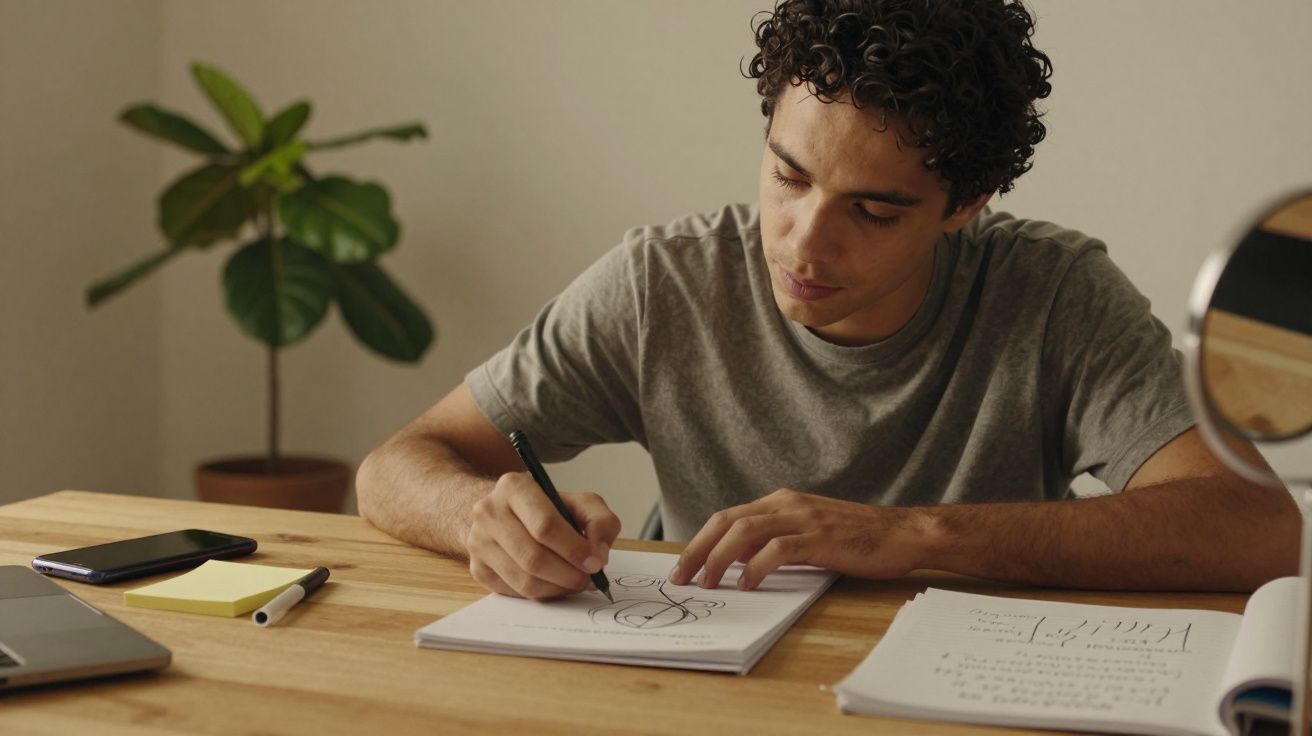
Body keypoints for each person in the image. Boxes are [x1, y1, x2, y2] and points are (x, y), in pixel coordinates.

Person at [356, 0, 1299, 600]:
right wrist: (480, 519)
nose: (804, 240)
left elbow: (1254, 526)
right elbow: (396, 466)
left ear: (964, 207)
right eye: (787, 175)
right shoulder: (665, 282)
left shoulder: (1050, 296)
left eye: (876, 210)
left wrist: (909, 534)